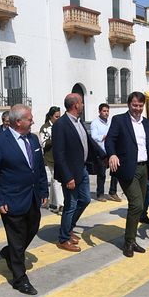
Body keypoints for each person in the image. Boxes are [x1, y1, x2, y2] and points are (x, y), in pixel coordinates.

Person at [0, 104, 49, 295]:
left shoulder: (34, 139)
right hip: (11, 200)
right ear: (18, 121)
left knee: (32, 229)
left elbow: (39, 168)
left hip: (33, 197)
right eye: (29, 119)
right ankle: (20, 279)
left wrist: (44, 191)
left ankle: (10, 253)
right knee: (17, 238)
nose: (33, 121)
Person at [105, 92, 149, 258]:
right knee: (137, 204)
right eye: (135, 105)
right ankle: (128, 242)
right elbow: (109, 140)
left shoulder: (146, 123)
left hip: (144, 169)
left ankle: (131, 240)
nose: (138, 109)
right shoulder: (119, 120)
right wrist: (112, 154)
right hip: (127, 169)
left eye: (140, 106)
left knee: (137, 207)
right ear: (129, 105)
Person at [52, 93, 104, 253]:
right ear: (75, 105)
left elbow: (88, 141)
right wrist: (68, 177)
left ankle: (69, 229)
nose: (83, 105)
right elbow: (59, 155)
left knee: (85, 200)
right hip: (71, 174)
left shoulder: (78, 122)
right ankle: (63, 238)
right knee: (71, 205)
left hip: (82, 169)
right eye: (81, 102)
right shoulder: (60, 125)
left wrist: (104, 155)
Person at [90, 103, 121, 202]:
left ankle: (113, 192)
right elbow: (94, 137)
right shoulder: (95, 123)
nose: (106, 113)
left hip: (111, 151)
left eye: (107, 111)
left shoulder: (110, 122)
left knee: (115, 171)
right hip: (101, 152)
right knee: (102, 174)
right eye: (104, 111)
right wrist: (104, 137)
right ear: (99, 112)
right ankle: (100, 194)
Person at [38, 106, 64, 214]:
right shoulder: (45, 128)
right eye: (56, 116)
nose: (58, 118)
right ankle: (61, 204)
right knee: (57, 180)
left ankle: (53, 202)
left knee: (55, 180)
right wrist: (54, 138)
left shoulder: (61, 125)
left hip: (61, 157)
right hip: (51, 158)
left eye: (59, 116)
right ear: (51, 116)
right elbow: (43, 143)